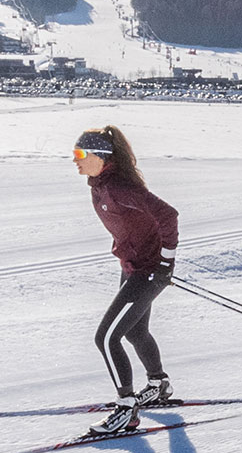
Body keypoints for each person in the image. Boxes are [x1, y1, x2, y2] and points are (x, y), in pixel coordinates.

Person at [74, 126, 180, 436]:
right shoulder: (101, 186)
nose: (75, 160)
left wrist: (165, 262)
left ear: (101, 157)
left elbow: (168, 215)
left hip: (150, 271)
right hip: (134, 267)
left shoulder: (120, 187)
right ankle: (158, 384)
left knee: (106, 338)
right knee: (135, 330)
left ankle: (126, 409)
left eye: (80, 153)